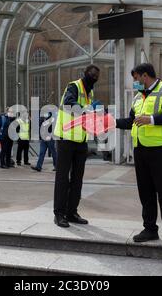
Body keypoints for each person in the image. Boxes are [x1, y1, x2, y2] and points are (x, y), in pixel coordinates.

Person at [116, 63, 162, 249]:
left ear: (145, 76)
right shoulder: (138, 98)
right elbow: (132, 121)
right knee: (145, 192)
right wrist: (112, 122)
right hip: (141, 149)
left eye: (136, 78)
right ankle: (150, 229)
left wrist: (151, 120)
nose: (135, 83)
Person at [52, 64, 100, 228]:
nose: (94, 78)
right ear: (85, 74)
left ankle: (71, 212)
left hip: (81, 141)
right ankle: (59, 214)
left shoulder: (90, 92)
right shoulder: (74, 86)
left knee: (77, 179)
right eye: (92, 75)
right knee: (62, 178)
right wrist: (87, 110)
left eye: (96, 76)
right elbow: (68, 103)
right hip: (66, 139)